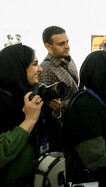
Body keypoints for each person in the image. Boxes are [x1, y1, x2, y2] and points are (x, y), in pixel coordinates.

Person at [0, 44, 62, 186]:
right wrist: (29, 121)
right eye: (34, 64)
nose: (40, 69)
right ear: (17, 67)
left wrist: (55, 114)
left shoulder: (30, 95)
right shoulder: (3, 103)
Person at [62, 51, 106, 183]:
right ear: (105, 72)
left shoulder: (103, 98)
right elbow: (94, 156)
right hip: (90, 179)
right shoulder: (84, 105)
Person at [39, 26, 79, 113]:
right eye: (61, 44)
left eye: (67, 42)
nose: (67, 46)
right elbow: (48, 107)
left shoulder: (69, 59)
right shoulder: (45, 69)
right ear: (48, 46)